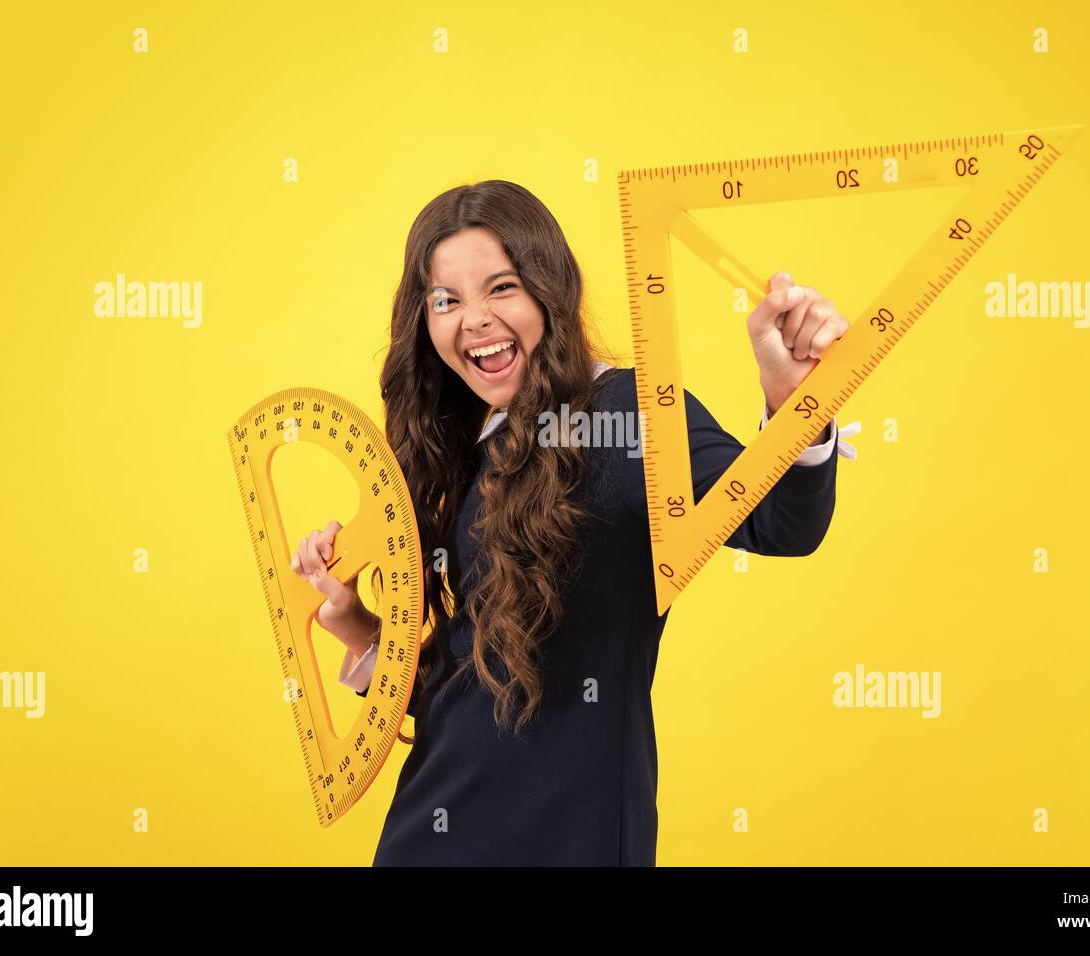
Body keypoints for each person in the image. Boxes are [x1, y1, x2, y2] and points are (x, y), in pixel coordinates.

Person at [288, 180, 853, 865]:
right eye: (446, 300)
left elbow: (779, 524)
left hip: (571, 839)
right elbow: (465, 693)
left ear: (551, 289)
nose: (473, 321)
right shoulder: (468, 446)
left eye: (501, 287)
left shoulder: (627, 414)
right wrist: (352, 619)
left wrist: (795, 403)